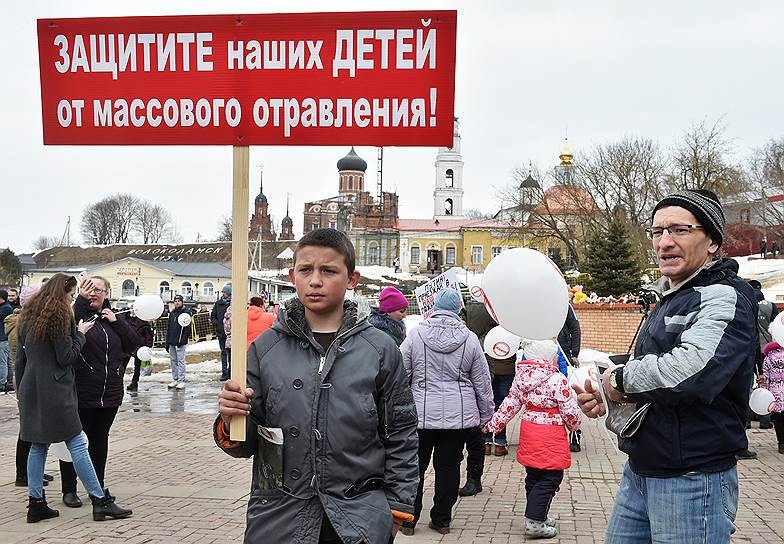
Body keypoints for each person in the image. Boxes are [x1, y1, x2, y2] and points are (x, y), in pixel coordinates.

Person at [573, 190, 757, 543]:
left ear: (713, 241)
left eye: (679, 230)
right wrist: (604, 391)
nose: (664, 242)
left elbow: (692, 371)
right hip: (641, 471)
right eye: (657, 232)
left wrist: (619, 381)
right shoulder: (670, 296)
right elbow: (649, 366)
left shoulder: (724, 296)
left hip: (693, 480)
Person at [215, 228, 418, 544]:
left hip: (357, 519)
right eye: (305, 270)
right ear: (291, 275)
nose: (315, 280)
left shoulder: (379, 349)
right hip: (279, 518)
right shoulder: (264, 349)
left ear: (352, 278)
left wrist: (396, 508)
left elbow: (402, 434)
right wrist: (231, 420)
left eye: (329, 270)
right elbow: (246, 445)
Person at [16, 274, 132, 523]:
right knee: (78, 444)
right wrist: (80, 334)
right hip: (56, 392)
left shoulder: (27, 316)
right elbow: (66, 357)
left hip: (31, 388)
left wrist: (20, 392)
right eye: (71, 295)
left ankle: (36, 503)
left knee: (37, 447)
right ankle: (100, 501)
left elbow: (20, 360)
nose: (72, 299)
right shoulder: (59, 317)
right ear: (62, 294)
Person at [399, 288, 493, 536]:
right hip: (457, 417)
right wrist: (485, 415)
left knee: (413, 468)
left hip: (419, 416)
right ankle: (441, 520)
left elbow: (401, 375)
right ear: (458, 308)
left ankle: (408, 519)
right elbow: (482, 382)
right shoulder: (470, 338)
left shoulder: (416, 335)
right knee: (449, 467)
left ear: (434, 307)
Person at [60, 276, 144, 509]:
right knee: (75, 442)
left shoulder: (114, 318)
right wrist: (81, 304)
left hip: (109, 393)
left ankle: (97, 487)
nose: (94, 293)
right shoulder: (75, 317)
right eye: (89, 289)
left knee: (99, 441)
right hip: (80, 391)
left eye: (98, 289)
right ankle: (69, 489)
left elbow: (134, 345)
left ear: (107, 292)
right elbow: (63, 333)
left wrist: (117, 322)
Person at [484, 339, 581, 539]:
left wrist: (493, 425)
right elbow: (570, 411)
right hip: (550, 434)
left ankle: (538, 515)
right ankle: (535, 521)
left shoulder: (522, 377)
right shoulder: (557, 380)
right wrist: (574, 426)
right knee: (551, 478)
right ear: (549, 356)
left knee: (534, 475)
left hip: (529, 431)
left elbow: (509, 404)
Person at [7, 285, 54, 488]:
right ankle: (22, 474)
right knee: (28, 427)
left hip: (30, 376)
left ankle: (32, 471)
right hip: (27, 378)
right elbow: (23, 354)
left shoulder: (25, 322)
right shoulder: (20, 324)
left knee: (33, 426)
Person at [557, 304, 583, 452]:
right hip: (543, 353)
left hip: (564, 355)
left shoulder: (563, 305)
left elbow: (575, 328)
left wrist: (575, 353)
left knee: (569, 398)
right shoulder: (536, 301)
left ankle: (574, 434)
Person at [761, 337, 784, 454]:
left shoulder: (768, 357)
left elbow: (765, 377)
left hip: (775, 392)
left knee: (778, 419)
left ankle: (781, 443)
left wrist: (765, 392)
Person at [166, 294, 192, 390]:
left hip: (180, 340)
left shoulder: (186, 313)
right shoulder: (172, 313)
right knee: (173, 361)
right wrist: (167, 341)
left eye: (179, 301)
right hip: (172, 340)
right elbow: (169, 327)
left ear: (182, 302)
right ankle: (175, 379)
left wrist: (183, 339)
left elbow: (187, 328)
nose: (177, 302)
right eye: (175, 301)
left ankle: (181, 380)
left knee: (180, 360)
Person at [125, 310, 155, 392]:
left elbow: (149, 337)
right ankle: (119, 381)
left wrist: (147, 347)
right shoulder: (126, 319)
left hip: (140, 348)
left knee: (137, 366)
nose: (133, 311)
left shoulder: (143, 322)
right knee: (122, 364)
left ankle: (134, 382)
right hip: (128, 346)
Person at [211, 285, 232, 381]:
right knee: (223, 353)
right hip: (221, 332)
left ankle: (231, 372)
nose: (223, 294)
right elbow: (213, 315)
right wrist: (217, 324)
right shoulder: (218, 304)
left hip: (231, 334)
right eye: (223, 292)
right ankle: (224, 373)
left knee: (231, 354)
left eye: (225, 292)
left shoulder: (232, 304)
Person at [0, 289, 13, 393]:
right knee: (7, 362)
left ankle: (2, 383)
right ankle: (9, 382)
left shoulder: (6, 308)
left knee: (2, 362)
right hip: (4, 338)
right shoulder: (5, 307)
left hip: (3, 339)